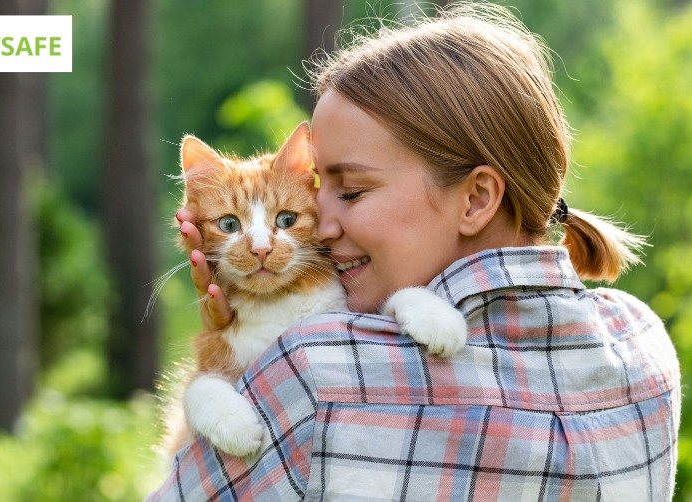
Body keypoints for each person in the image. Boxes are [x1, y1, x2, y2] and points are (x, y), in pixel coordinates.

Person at [149, 3, 680, 500]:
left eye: (352, 191)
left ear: (475, 199)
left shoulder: (319, 369)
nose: (323, 225)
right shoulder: (642, 341)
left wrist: (247, 348)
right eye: (317, 191)